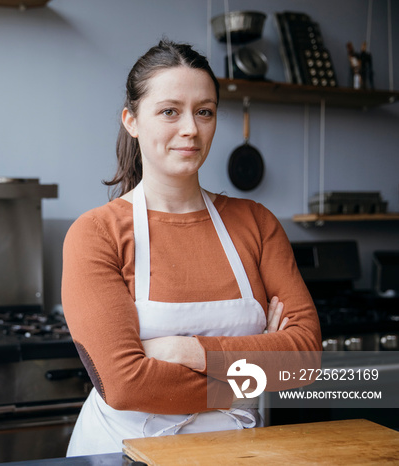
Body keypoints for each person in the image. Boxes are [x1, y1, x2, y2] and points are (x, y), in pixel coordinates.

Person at [61, 39, 322, 456]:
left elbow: (304, 358)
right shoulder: (96, 233)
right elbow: (124, 384)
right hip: (126, 453)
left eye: (205, 111)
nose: (191, 129)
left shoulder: (256, 223)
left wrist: (186, 350)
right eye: (169, 111)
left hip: (238, 454)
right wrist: (258, 368)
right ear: (131, 120)